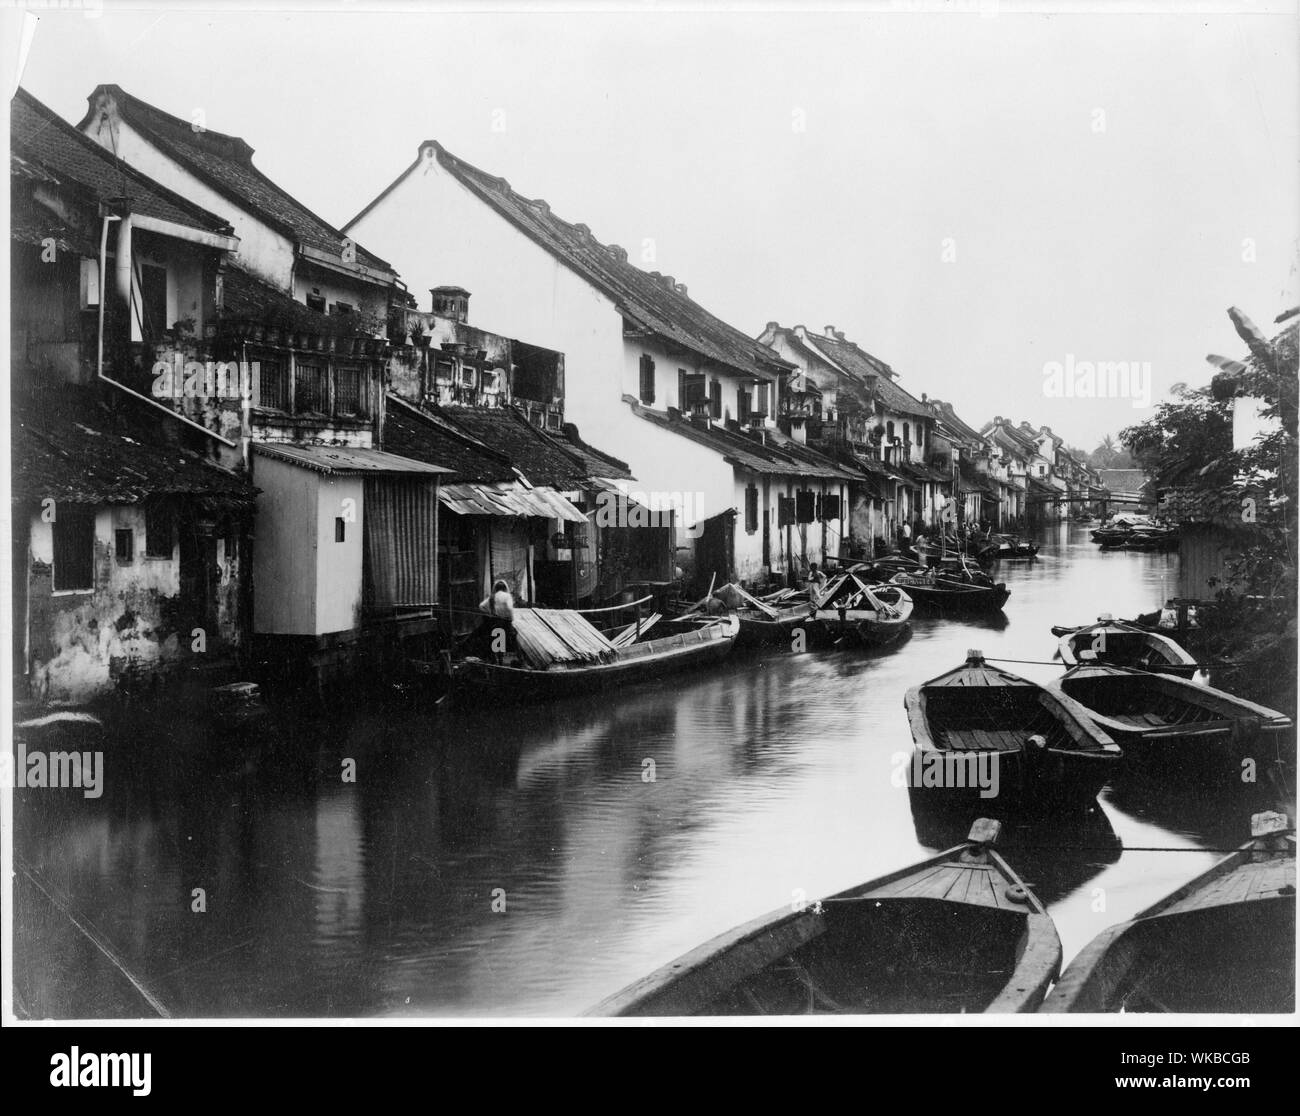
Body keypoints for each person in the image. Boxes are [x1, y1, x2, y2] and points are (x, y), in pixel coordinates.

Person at [478, 579, 516, 661]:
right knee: (513, 636)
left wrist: (489, 613)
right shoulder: (507, 596)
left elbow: (481, 606)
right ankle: (504, 660)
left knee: (496, 642)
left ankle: (495, 660)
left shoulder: (492, 597)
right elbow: (509, 608)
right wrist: (511, 618)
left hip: (494, 623)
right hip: (504, 623)